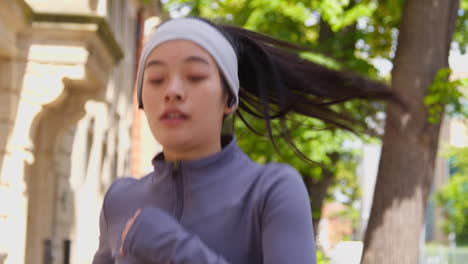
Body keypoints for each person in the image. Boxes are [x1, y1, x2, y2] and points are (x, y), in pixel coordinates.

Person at [92, 17, 401, 264]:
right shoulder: (121, 199)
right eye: (156, 80)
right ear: (142, 100)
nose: (172, 91)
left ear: (229, 100)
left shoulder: (270, 190)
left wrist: (172, 247)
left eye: (195, 76)